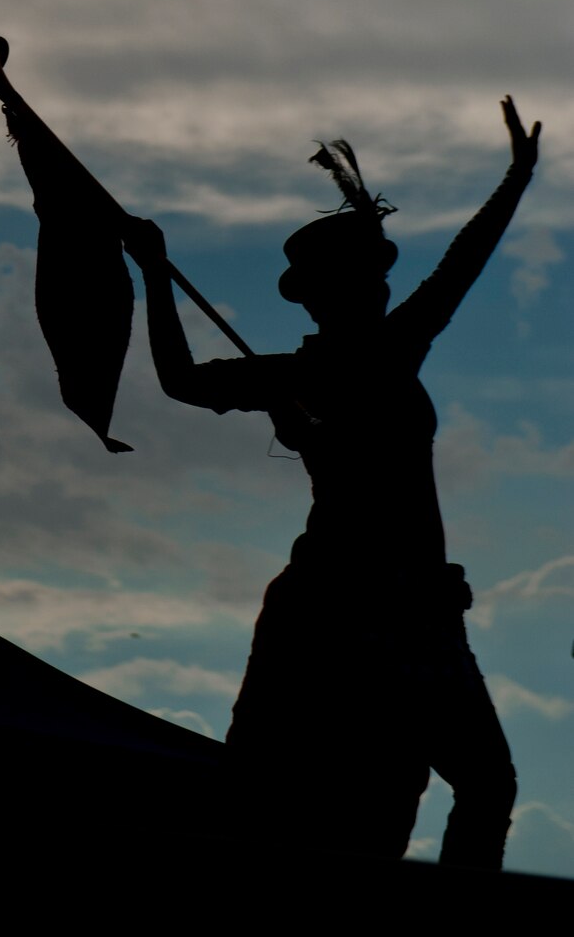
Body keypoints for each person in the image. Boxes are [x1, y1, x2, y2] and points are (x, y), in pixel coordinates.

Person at [123, 99, 539, 869]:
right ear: (329, 294)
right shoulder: (342, 365)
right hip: (365, 609)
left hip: (392, 609)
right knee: (430, 790)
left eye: (382, 279)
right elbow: (180, 380)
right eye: (367, 281)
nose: (383, 291)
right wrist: (152, 275)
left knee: (435, 789)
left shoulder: (346, 362)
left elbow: (463, 261)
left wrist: (517, 178)